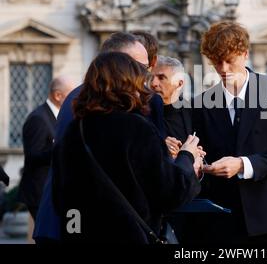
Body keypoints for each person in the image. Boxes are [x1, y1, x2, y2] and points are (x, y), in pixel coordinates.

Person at [52, 52, 202, 243]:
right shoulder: (136, 128)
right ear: (129, 84)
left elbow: (61, 198)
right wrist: (187, 157)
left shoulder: (75, 130)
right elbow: (171, 192)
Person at [33, 32, 161, 243]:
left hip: (63, 220)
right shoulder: (102, 103)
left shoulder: (81, 95)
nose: (146, 76)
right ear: (117, 63)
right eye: (140, 67)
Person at [193, 21, 267, 244]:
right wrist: (200, 167)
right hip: (226, 220)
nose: (224, 69)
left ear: (245, 54)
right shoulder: (201, 105)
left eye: (230, 60)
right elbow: (203, 159)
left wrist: (242, 165)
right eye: (217, 62)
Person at [18, 76, 75, 220]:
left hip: (54, 192)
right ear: (58, 95)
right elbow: (33, 156)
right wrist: (64, 148)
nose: (75, 100)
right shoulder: (38, 118)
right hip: (40, 194)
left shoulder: (60, 116)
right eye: (71, 95)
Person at [150, 56, 192, 157]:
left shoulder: (195, 113)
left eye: (161, 78)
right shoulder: (142, 112)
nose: (153, 83)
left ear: (179, 83)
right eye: (151, 78)